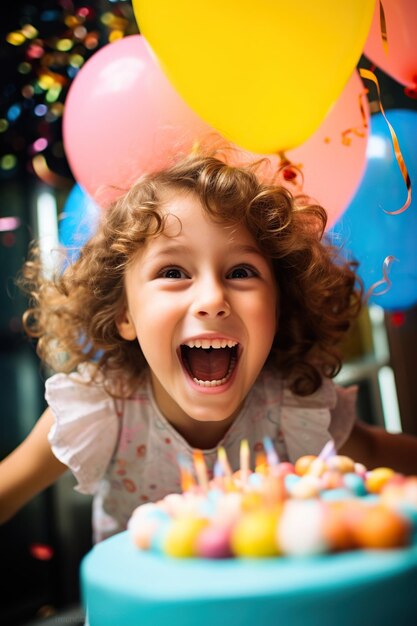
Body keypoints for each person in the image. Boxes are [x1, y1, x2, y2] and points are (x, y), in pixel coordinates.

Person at [0, 152, 416, 543]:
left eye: (240, 271)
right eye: (174, 271)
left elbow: (383, 452)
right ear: (124, 313)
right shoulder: (100, 408)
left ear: (278, 306)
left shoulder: (293, 408)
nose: (213, 299)